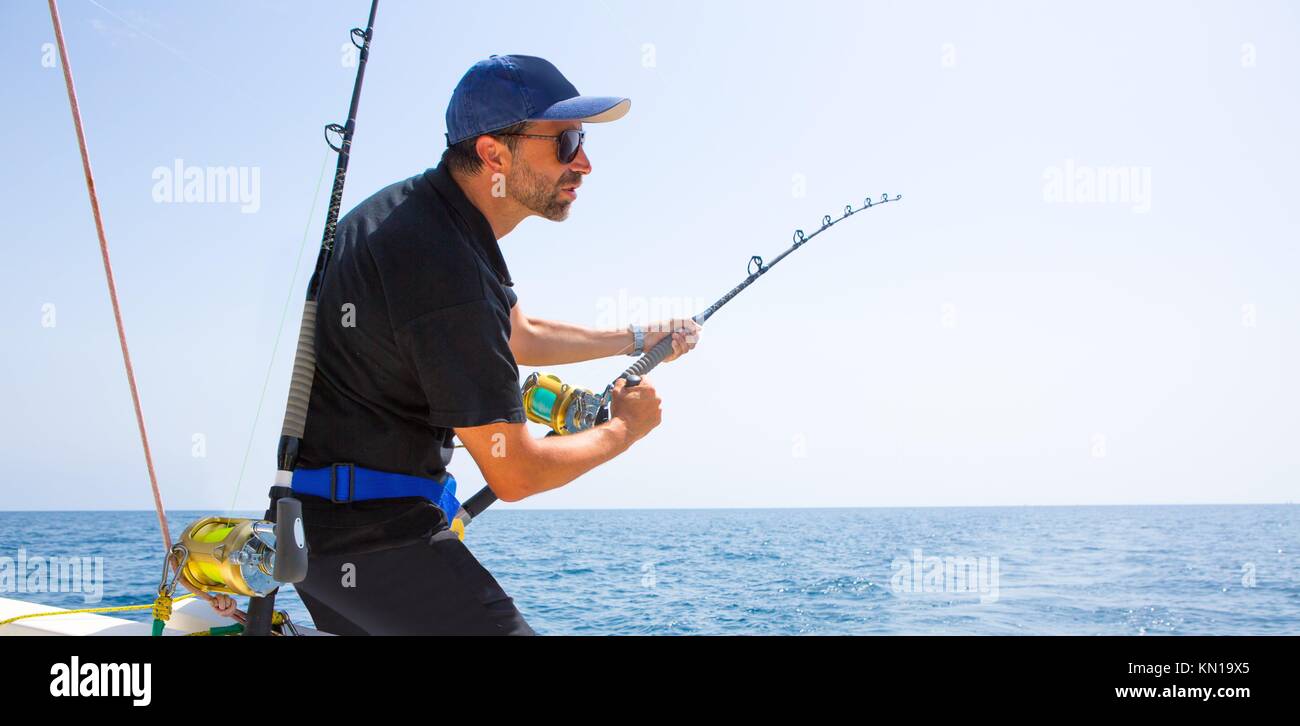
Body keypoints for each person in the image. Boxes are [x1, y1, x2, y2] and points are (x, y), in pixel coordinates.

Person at [211, 55, 699, 634]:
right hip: (376, 544)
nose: (585, 163)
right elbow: (515, 473)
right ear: (495, 154)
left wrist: (640, 338)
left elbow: (520, 334)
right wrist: (624, 429)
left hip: (313, 539)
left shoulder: (417, 214)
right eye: (566, 142)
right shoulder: (446, 268)